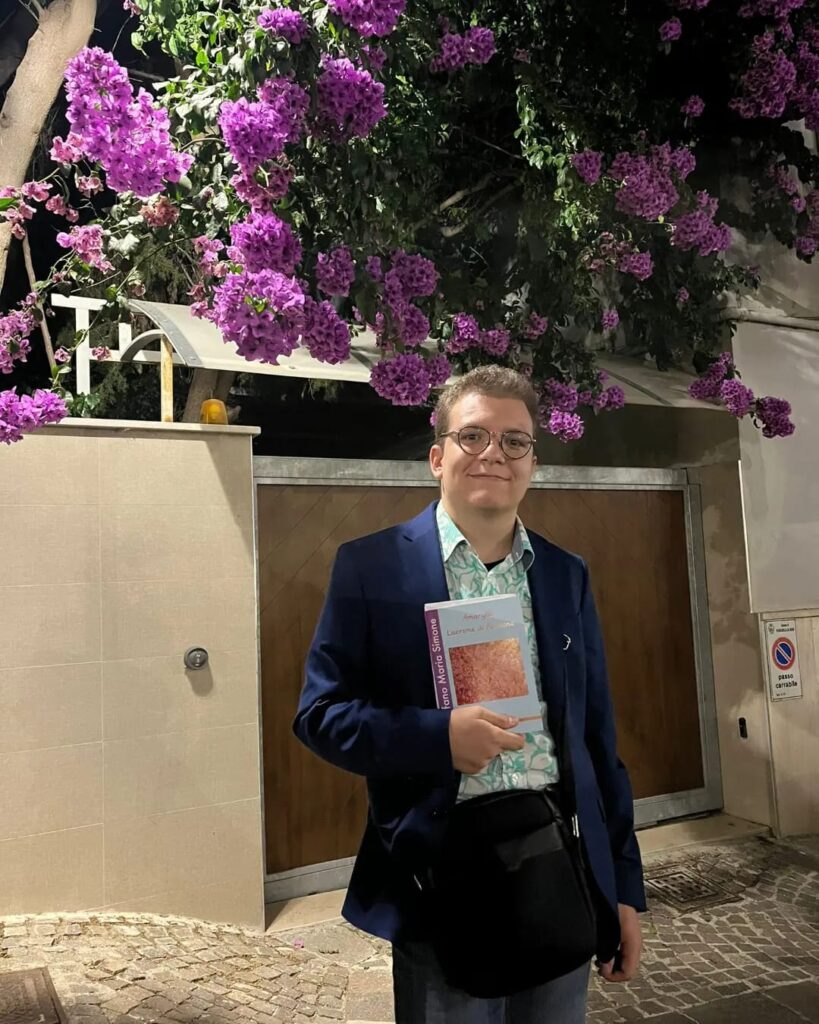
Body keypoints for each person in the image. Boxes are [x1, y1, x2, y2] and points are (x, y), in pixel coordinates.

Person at [294, 365, 645, 1023]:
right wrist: (438, 738)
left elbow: (597, 742)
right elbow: (320, 716)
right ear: (437, 457)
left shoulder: (564, 574)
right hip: (440, 875)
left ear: (532, 462)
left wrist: (622, 885)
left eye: (515, 441)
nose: (494, 454)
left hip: (553, 860)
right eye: (473, 436)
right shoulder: (372, 567)